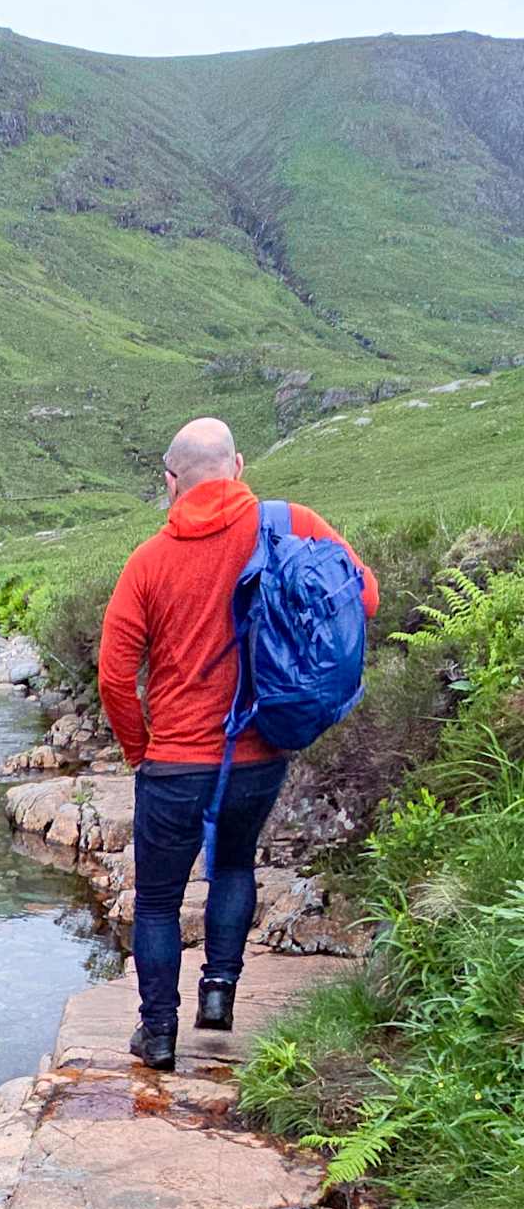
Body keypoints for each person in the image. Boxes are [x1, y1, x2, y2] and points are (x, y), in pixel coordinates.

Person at [97, 417, 379, 1069]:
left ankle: (159, 1033)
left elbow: (114, 673)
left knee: (160, 901)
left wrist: (140, 750)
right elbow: (364, 596)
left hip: (172, 761)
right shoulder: (291, 522)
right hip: (258, 752)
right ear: (239, 466)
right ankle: (219, 994)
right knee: (233, 866)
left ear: (171, 482)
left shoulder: (148, 561)